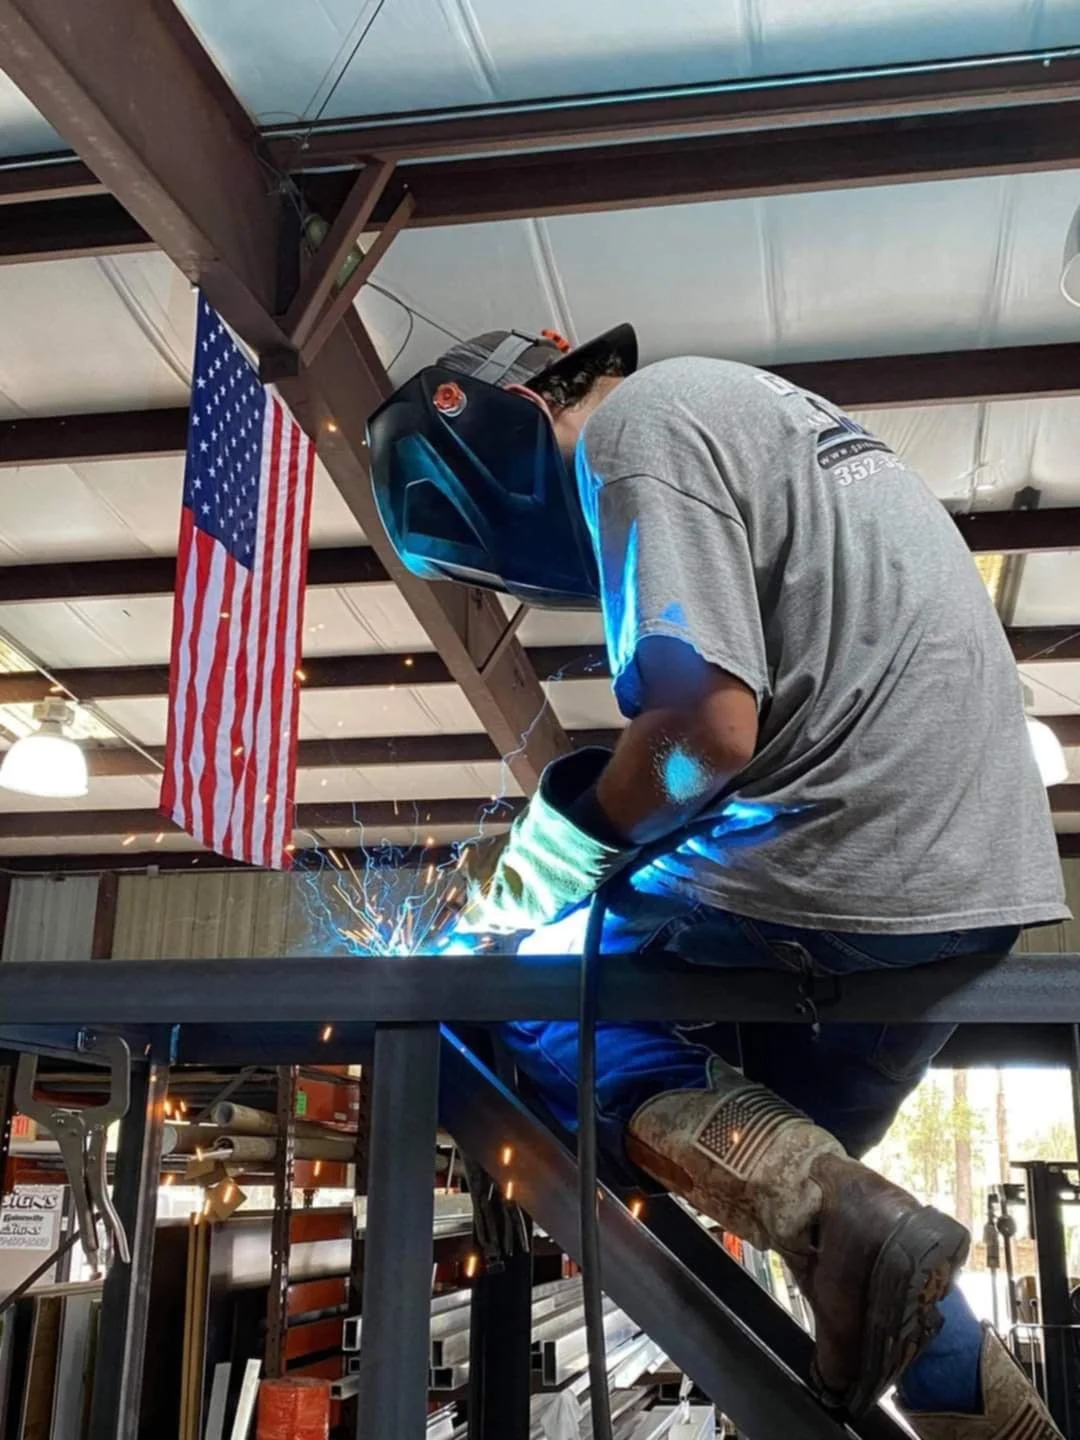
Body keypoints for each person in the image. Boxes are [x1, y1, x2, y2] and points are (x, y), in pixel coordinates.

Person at [367, 324, 1069, 1436]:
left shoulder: (633, 429)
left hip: (842, 864)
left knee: (520, 1006)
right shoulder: (763, 417)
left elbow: (702, 737)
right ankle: (961, 1388)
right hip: (958, 891)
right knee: (853, 1245)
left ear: (511, 415)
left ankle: (824, 1219)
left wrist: (549, 872)